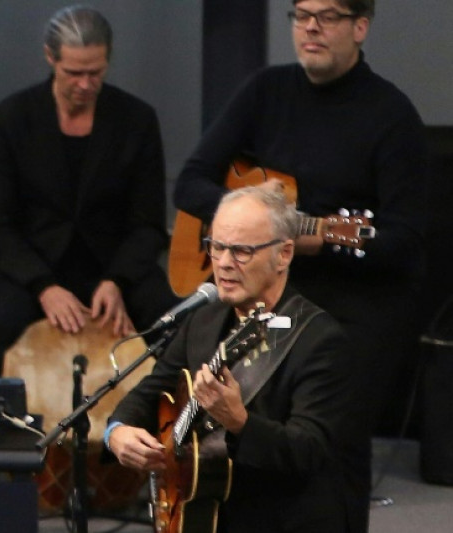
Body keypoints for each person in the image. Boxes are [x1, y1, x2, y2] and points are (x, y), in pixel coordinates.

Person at [173, 0, 425, 523]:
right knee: (234, 422)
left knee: (328, 448)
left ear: (360, 26)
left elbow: (402, 240)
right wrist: (247, 224)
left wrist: (316, 237)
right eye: (300, 13)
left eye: (328, 15)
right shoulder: (265, 91)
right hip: (264, 293)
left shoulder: (391, 116)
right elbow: (191, 181)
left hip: (351, 304)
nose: (310, 26)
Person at [106, 187, 367, 533]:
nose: (225, 263)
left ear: (284, 254)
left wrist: (240, 422)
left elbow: (310, 451)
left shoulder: (320, 340)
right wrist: (117, 430)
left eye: (242, 251)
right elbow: (151, 391)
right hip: (204, 512)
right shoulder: (202, 320)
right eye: (217, 246)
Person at [0, 5, 179, 376]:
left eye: (95, 73)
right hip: (33, 268)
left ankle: (179, 422)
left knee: (173, 322)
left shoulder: (136, 119)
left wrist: (117, 281)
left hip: (114, 266)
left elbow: (147, 224)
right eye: (74, 73)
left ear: (108, 61)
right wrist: (44, 286)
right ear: (50, 58)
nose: (84, 84)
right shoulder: (12, 117)